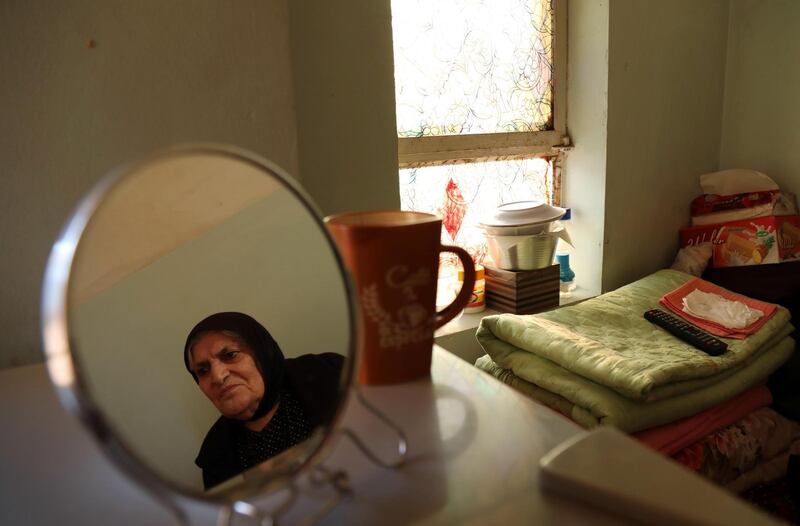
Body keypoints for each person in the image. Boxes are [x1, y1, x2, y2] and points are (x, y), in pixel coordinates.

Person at [183, 312, 344, 490]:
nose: (218, 377)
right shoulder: (215, 454)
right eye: (203, 370)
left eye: (230, 355)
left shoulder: (328, 374)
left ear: (262, 352)